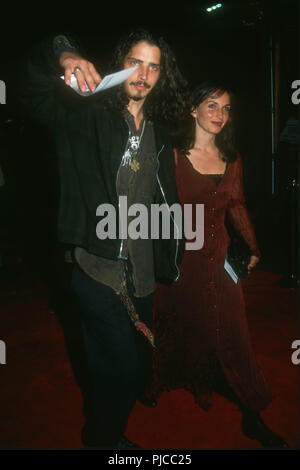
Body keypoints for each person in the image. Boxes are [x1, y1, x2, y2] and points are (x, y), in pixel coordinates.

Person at [20, 29, 189, 449]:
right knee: (120, 367)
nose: (143, 73)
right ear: (120, 63)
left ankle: (108, 421)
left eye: (154, 65)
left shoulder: (159, 130)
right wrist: (63, 55)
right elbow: (33, 91)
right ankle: (102, 437)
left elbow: (162, 197)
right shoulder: (85, 115)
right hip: (96, 267)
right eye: (136, 61)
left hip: (143, 269)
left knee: (134, 364)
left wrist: (173, 253)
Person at [146, 81, 289, 449]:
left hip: (221, 259)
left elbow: (236, 204)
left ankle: (253, 414)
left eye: (226, 109)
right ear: (193, 110)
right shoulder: (172, 154)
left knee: (234, 333)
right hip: (180, 260)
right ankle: (158, 378)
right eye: (212, 106)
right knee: (173, 320)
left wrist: (253, 246)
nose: (220, 116)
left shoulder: (232, 157)